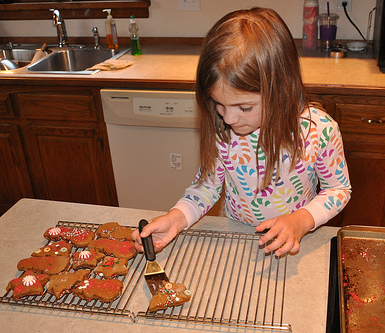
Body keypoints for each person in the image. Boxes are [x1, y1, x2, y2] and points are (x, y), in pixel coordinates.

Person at [131, 7, 351, 257]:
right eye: (219, 103)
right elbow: (207, 187)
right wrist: (176, 218)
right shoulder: (222, 127)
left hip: (297, 244)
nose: (229, 118)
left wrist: (301, 220)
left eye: (244, 107)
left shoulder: (318, 131)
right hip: (237, 242)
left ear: (281, 90)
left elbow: (338, 190)